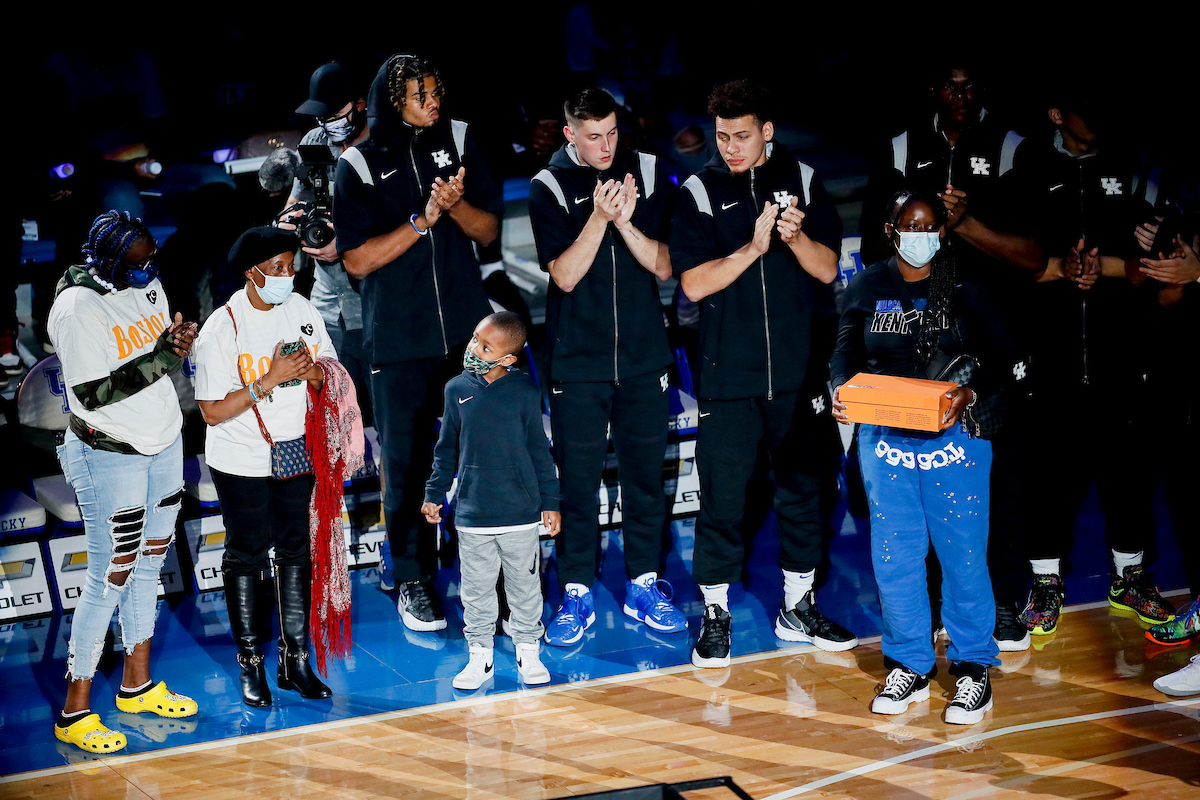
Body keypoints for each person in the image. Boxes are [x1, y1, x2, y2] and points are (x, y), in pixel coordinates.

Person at [669, 79, 857, 669]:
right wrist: (753, 248)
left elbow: (828, 270)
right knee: (723, 501)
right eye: (723, 137)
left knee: (803, 492)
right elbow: (693, 284)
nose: (730, 147)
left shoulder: (802, 180)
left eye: (742, 136)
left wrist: (795, 238)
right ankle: (717, 613)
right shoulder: (697, 191)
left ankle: (798, 607)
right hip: (728, 377)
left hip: (798, 376)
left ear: (767, 131)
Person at [859, 61, 1042, 652]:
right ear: (932, 90)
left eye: (970, 85)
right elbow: (869, 244)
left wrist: (959, 224)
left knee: (1000, 481)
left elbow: (1033, 255)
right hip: (919, 346)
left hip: (988, 333)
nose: (959, 95)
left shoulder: (1011, 148)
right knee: (926, 487)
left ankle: (1008, 602)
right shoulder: (899, 149)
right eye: (949, 85)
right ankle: (936, 614)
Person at [334, 54, 502, 633]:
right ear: (393, 99)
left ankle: (490, 577)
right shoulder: (355, 164)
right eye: (421, 93)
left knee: (478, 457)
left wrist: (455, 208)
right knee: (405, 470)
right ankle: (411, 579)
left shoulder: (458, 138)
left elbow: (489, 230)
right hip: (398, 341)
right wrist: (423, 219)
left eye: (437, 89)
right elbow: (357, 259)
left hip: (466, 335)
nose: (434, 101)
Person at [831, 190, 1010, 724]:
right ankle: (908, 662)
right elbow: (845, 352)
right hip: (885, 437)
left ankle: (974, 669)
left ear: (943, 233)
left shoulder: (965, 287)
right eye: (910, 225)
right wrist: (842, 389)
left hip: (956, 438)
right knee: (894, 558)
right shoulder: (866, 286)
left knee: (962, 557)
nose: (919, 235)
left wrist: (971, 393)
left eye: (929, 226)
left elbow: (1002, 357)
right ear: (891, 230)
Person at [1012, 86, 1173, 638]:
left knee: (1127, 471)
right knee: (1048, 476)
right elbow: (1014, 254)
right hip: (1047, 351)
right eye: (1084, 108)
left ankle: (1130, 577)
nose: (1097, 118)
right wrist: (1058, 267)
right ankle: (1045, 583)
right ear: (1057, 114)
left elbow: (1151, 258)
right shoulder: (1028, 162)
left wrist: (1097, 267)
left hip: (1120, 350)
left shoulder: (1131, 168)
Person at [527, 88, 682, 646]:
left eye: (613, 133)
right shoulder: (547, 187)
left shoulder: (648, 170)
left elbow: (665, 265)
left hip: (644, 357)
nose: (606, 145)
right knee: (577, 485)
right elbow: (565, 276)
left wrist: (625, 222)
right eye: (593, 136)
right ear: (569, 134)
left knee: (645, 479)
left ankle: (644, 583)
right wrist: (598, 216)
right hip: (578, 362)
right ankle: (576, 592)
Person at [49, 210, 199, 754]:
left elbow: (155, 352)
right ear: (107, 262)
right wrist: (165, 355)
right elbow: (92, 394)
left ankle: (136, 684)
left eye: (150, 260)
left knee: (151, 563)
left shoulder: (148, 280)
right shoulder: (77, 308)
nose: (147, 271)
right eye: (135, 265)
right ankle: (74, 710)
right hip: (110, 451)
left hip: (163, 439)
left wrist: (177, 338)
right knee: (108, 575)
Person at [192, 226, 337, 707]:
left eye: (290, 266)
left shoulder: (301, 310)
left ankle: (295, 660)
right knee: (248, 554)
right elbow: (211, 411)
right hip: (241, 456)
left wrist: (311, 372)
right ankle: (250, 662)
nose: (286, 276)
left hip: (294, 449)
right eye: (276, 268)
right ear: (251, 272)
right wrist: (270, 379)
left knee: (296, 550)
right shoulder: (221, 327)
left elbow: (330, 374)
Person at [422, 311, 561, 688]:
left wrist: (550, 501)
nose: (473, 349)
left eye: (486, 347)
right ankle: (480, 657)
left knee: (525, 588)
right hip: (472, 516)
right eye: (474, 340)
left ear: (508, 359)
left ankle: (527, 651)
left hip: (520, 516)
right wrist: (434, 493)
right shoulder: (455, 390)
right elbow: (445, 449)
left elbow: (539, 451)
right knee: (476, 591)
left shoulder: (526, 392)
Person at [279, 61, 373, 427]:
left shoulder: (386, 146)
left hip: (375, 295)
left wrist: (346, 245)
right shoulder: (314, 144)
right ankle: (339, 478)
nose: (326, 124)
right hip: (326, 296)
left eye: (333, 114)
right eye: (320, 116)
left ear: (360, 105)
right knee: (330, 402)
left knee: (387, 408)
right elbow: (295, 203)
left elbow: (404, 220)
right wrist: (292, 223)